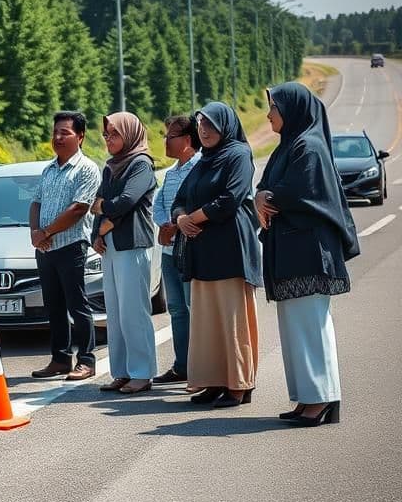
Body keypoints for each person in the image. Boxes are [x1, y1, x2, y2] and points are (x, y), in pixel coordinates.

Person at [256, 82, 359, 427]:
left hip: (308, 253)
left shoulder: (308, 147)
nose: (269, 114)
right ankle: (307, 398)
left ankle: (322, 400)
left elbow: (298, 191)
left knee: (310, 327)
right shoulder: (289, 146)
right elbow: (266, 185)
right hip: (291, 251)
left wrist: (266, 198)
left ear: (292, 110)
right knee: (295, 328)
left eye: (274, 108)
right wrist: (262, 196)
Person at [172, 101, 262, 409]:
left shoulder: (238, 154)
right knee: (207, 322)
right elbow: (181, 197)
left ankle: (238, 385)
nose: (204, 130)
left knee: (231, 320)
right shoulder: (203, 160)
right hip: (203, 252)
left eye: (210, 124)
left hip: (229, 249)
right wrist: (180, 217)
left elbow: (229, 199)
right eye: (200, 125)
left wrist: (190, 219)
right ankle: (212, 382)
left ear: (225, 125)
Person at [29, 111, 102, 380]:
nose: (57, 137)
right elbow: (36, 203)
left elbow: (79, 208)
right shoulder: (49, 170)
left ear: (80, 137)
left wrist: (46, 231)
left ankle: (86, 360)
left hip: (71, 246)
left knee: (77, 304)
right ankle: (60, 359)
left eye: (65, 133)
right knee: (54, 305)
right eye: (55, 132)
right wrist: (35, 233)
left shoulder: (87, 169)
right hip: (46, 249)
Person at [91, 112, 158, 394]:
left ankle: (142, 373)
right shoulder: (110, 167)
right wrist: (97, 233)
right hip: (110, 245)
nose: (108, 139)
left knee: (134, 312)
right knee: (116, 313)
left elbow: (127, 200)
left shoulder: (141, 164)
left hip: (132, 243)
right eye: (106, 135)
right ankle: (122, 371)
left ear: (130, 134)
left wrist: (105, 212)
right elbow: (97, 202)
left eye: (114, 134)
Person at [151, 116, 202, 386]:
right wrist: (164, 225)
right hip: (170, 251)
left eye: (170, 136)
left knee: (194, 308)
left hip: (190, 249)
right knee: (176, 309)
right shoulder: (170, 173)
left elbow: (194, 206)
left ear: (187, 140)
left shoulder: (200, 167)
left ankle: (200, 367)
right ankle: (181, 365)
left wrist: (175, 228)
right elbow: (158, 204)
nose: (165, 141)